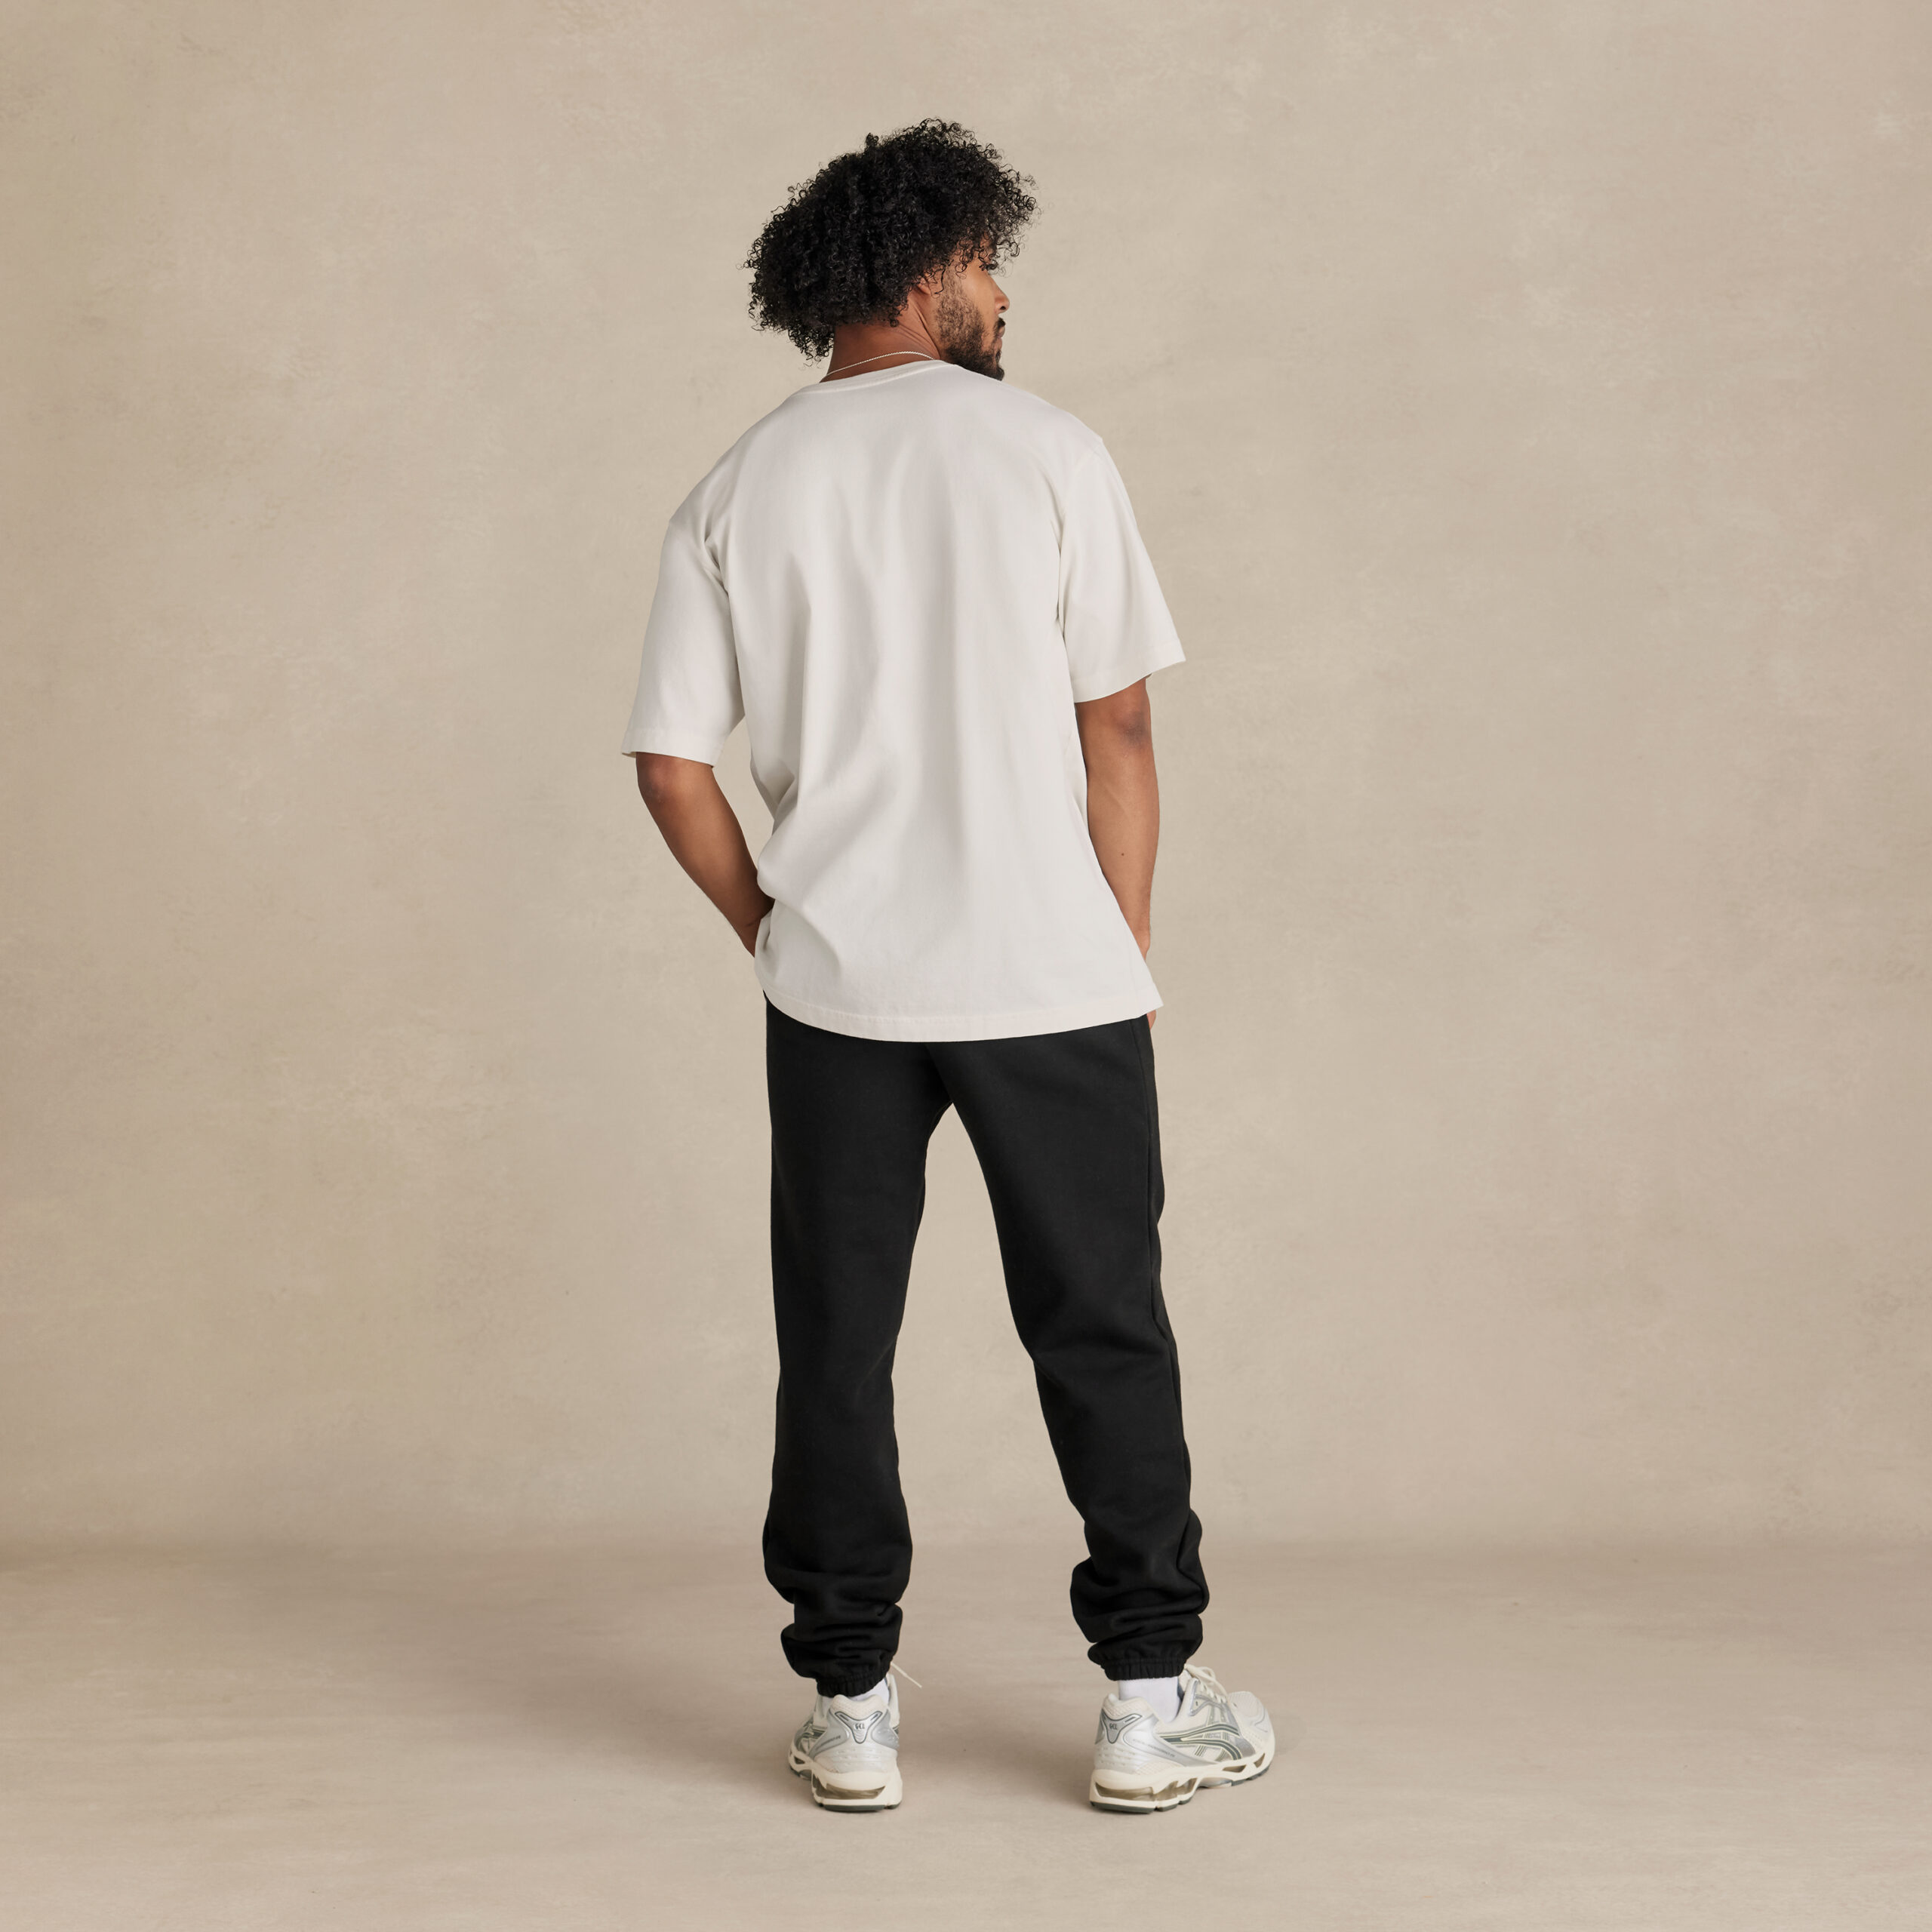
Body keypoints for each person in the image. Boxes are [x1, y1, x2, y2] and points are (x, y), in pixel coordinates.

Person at [622, 118, 1271, 1814]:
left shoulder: (739, 483)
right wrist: (1115, 940)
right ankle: (1147, 1700)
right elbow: (1118, 725)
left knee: (835, 1340)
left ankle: (849, 1702)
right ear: (922, 271)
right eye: (986, 261)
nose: (1000, 295)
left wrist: (774, 932)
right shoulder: (1047, 451)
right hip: (1050, 977)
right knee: (1102, 1326)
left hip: (838, 988)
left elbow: (673, 768)